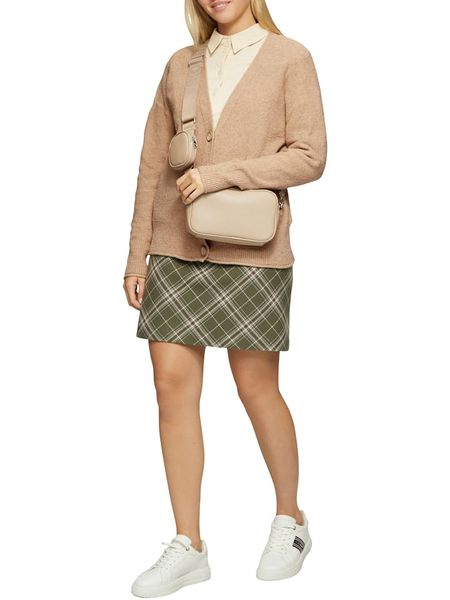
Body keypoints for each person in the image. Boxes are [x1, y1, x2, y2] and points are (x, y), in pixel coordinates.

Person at [123, 0, 327, 596]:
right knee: (171, 387)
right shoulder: (180, 64)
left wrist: (222, 174)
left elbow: (310, 156)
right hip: (174, 245)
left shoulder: (290, 58)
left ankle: (291, 519)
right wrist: (137, 255)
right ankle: (188, 543)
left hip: (254, 247)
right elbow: (152, 165)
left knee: (256, 386)